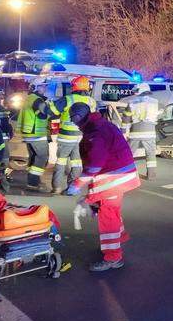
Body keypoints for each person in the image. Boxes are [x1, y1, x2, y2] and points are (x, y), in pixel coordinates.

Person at [66, 102, 141, 272]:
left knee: (107, 216)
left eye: (73, 119)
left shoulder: (95, 132)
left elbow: (95, 164)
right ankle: (117, 239)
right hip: (118, 175)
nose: (74, 123)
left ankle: (113, 258)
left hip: (112, 178)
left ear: (78, 117)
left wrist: (77, 185)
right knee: (111, 211)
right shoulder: (99, 125)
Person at [48, 76, 97, 194]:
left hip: (66, 136)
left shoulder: (68, 99)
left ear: (74, 87)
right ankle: (73, 188)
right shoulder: (91, 101)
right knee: (77, 162)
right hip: (81, 135)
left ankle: (57, 187)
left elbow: (52, 111)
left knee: (61, 161)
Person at [17, 78, 51, 192]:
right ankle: (33, 183)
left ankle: (32, 181)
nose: (45, 88)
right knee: (42, 157)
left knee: (35, 157)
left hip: (30, 133)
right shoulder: (37, 100)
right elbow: (46, 111)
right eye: (43, 86)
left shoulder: (30, 98)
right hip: (36, 134)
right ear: (37, 87)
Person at [121, 83, 160, 180]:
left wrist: (123, 130)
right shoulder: (155, 102)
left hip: (135, 132)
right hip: (150, 132)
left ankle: (126, 174)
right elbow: (159, 115)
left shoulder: (132, 102)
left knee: (129, 153)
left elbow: (126, 117)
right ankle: (151, 176)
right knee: (150, 154)